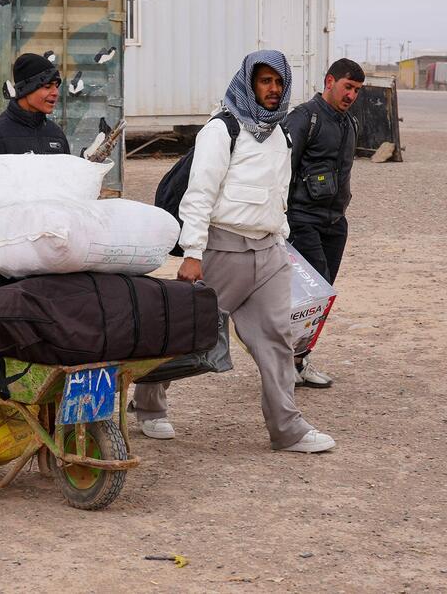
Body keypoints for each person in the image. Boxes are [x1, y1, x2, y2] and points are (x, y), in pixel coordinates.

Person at [132, 50, 336, 454]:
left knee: (278, 337)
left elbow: (279, 195)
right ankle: (149, 404)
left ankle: (287, 429)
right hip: (222, 250)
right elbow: (199, 195)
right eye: (265, 81)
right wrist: (193, 252)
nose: (273, 90)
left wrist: (281, 238)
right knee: (187, 334)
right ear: (248, 83)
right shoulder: (221, 130)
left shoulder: (283, 135)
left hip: (269, 253)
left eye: (278, 82)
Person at [282, 58, 365, 388]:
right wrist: (281, 220)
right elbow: (281, 169)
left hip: (335, 223)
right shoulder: (305, 118)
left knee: (323, 296)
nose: (351, 96)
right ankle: (283, 361)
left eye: (357, 90)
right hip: (302, 220)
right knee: (306, 298)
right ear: (329, 81)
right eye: (348, 87)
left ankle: (299, 360)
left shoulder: (349, 123)